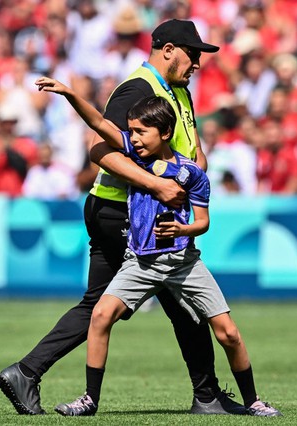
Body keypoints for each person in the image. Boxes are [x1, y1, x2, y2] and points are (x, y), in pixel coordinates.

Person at [0, 19, 244, 416]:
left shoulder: (176, 90)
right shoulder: (138, 89)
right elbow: (99, 148)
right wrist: (156, 185)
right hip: (123, 211)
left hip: (125, 210)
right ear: (167, 50)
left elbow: (188, 147)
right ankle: (207, 395)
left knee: (102, 303)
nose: (198, 62)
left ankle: (26, 372)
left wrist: (196, 164)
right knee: (184, 300)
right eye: (192, 53)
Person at [34, 78, 281, 417]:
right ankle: (90, 399)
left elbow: (203, 222)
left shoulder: (192, 173)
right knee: (101, 315)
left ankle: (253, 401)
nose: (132, 138)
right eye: (131, 131)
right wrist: (71, 94)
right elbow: (98, 123)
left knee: (228, 334)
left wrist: (183, 228)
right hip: (141, 261)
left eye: (139, 132)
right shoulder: (135, 155)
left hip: (183, 263)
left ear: (164, 133)